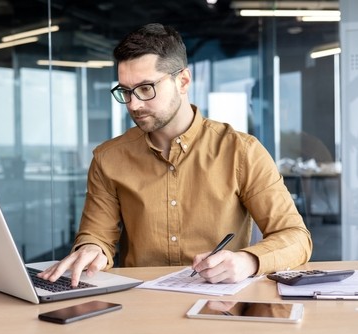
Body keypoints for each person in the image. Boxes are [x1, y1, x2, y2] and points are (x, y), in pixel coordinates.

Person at [38, 23, 312, 287]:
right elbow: (96, 234)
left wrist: (248, 261)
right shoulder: (108, 158)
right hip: (141, 307)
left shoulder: (241, 151)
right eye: (125, 91)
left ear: (183, 80)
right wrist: (92, 248)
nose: (134, 104)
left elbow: (296, 237)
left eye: (146, 88)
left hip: (219, 306)